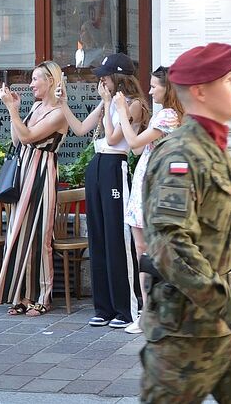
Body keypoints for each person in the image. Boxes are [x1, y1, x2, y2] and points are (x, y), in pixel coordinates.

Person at [140, 43, 231, 403]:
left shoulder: (212, 149)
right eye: (228, 79)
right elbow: (172, 245)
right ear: (200, 92)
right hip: (184, 331)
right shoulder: (180, 155)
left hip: (223, 324)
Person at [60, 53, 146, 329]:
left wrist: (110, 104)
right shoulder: (107, 102)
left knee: (116, 237)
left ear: (119, 79)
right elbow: (81, 128)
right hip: (97, 165)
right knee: (97, 236)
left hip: (114, 166)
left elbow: (112, 138)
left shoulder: (133, 105)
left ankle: (125, 308)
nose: (101, 81)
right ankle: (104, 307)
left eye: (106, 77)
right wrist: (63, 103)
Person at [0, 61, 68, 316]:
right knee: (19, 233)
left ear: (50, 82)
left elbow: (27, 137)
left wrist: (12, 110)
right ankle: (21, 295)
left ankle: (42, 297)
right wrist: (15, 110)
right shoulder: (35, 106)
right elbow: (17, 139)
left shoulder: (59, 113)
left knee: (39, 236)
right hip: (24, 171)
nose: (31, 84)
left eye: (36, 79)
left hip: (41, 174)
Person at [113, 65, 182, 334]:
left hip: (152, 187)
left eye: (155, 86)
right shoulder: (165, 115)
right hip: (148, 183)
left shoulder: (168, 115)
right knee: (145, 251)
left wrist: (121, 111)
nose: (150, 90)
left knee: (151, 252)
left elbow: (132, 145)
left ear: (169, 88)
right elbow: (140, 146)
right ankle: (148, 310)